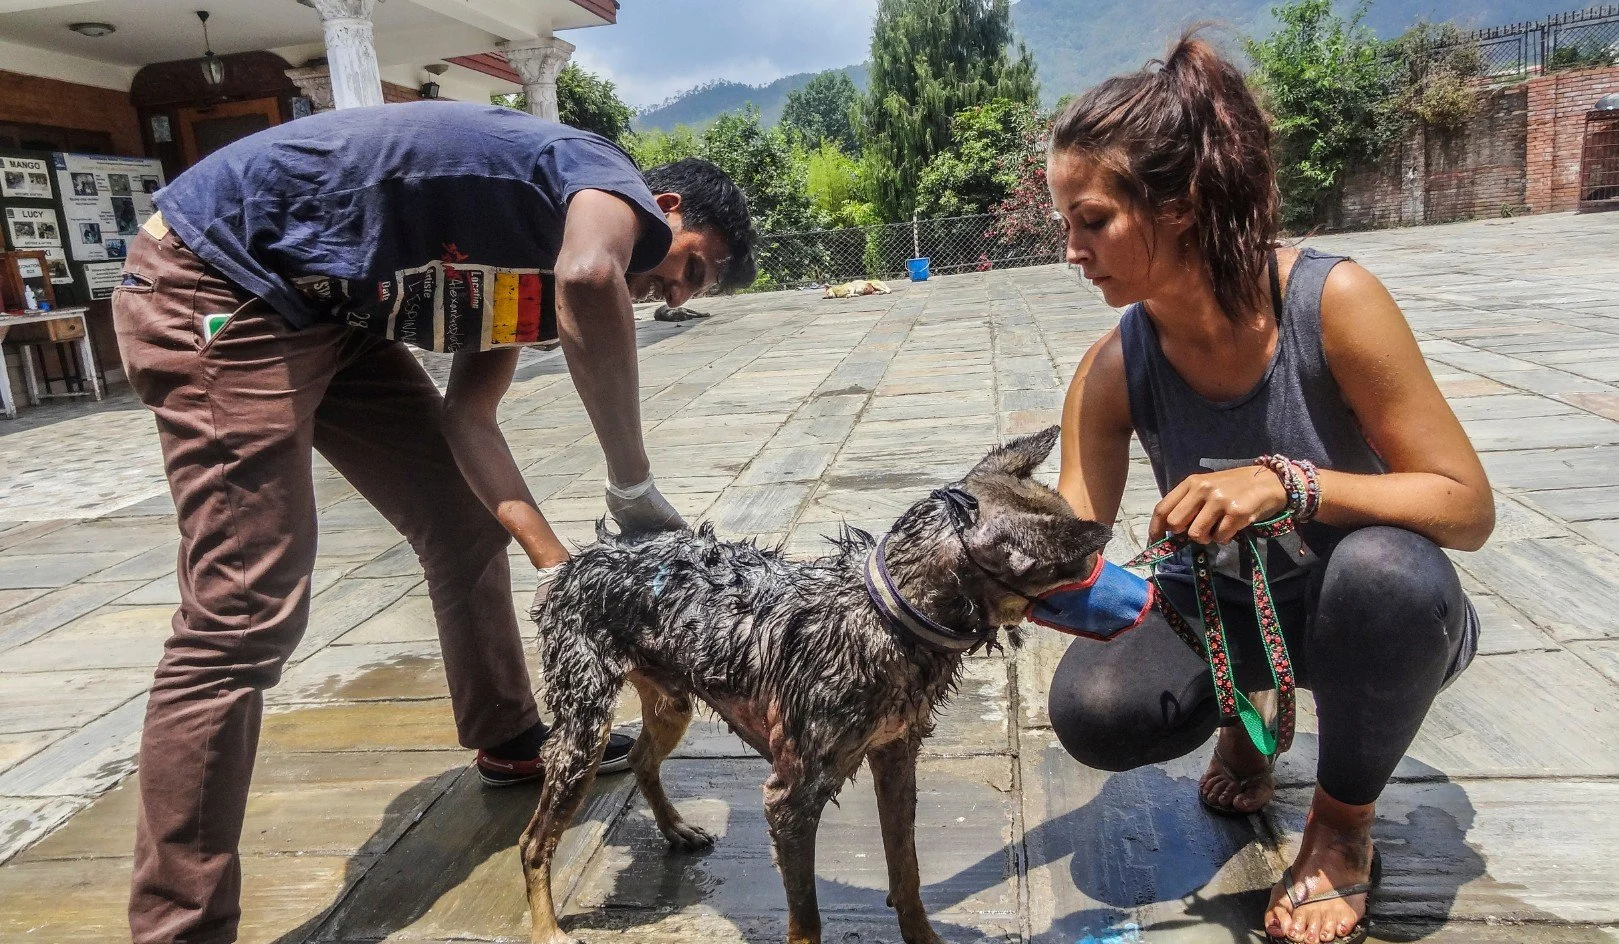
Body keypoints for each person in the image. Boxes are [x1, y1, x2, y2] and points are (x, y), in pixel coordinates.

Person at [113, 100, 755, 944]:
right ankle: (180, 927)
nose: (672, 294)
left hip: (329, 315)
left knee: (461, 521)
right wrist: (631, 485)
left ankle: (510, 737)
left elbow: (468, 421)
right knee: (240, 615)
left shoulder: (528, 270)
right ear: (662, 208)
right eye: (690, 269)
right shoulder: (603, 179)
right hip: (218, 277)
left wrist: (559, 569)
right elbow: (590, 276)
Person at [1041, 36, 1494, 944]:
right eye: (1065, 224)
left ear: (1179, 206)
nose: (1072, 250)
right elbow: (1070, 537)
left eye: (1091, 221)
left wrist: (1289, 483)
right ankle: (1245, 716)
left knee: (1388, 579)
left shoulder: (1330, 303)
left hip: (1359, 606)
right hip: (1221, 607)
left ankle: (1340, 822)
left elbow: (1465, 506)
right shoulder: (1112, 367)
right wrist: (990, 572)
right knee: (1095, 710)